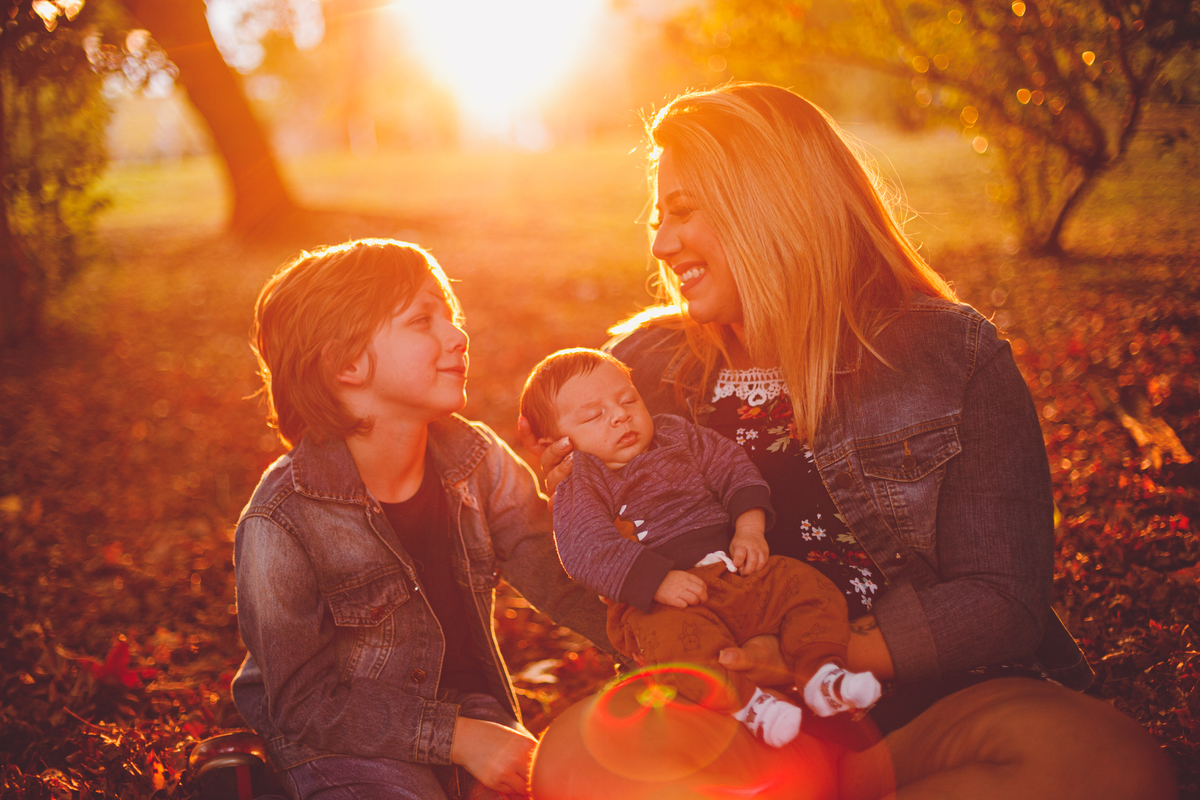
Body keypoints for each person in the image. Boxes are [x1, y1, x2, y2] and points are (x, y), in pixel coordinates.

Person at [523, 84, 1177, 799]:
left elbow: (1002, 599)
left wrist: (814, 650)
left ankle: (844, 781)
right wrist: (555, 498)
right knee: (571, 763)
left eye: (682, 212)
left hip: (914, 700)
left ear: (769, 201)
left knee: (1102, 763)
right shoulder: (638, 368)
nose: (659, 242)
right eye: (658, 218)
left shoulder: (946, 354)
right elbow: (600, 576)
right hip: (727, 712)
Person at [229, 239, 611, 800]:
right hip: (338, 741)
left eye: (451, 316)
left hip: (470, 712)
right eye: (422, 320)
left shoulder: (475, 460)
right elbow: (304, 704)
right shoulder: (280, 520)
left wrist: (665, 639)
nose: (457, 335)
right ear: (346, 364)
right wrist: (459, 739)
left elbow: (560, 572)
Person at [519, 347, 882, 747]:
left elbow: (733, 468)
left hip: (733, 570)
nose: (620, 415)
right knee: (675, 645)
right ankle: (748, 705)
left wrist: (749, 528)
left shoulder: (676, 434)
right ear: (561, 442)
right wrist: (655, 580)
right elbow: (584, 546)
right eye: (593, 415)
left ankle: (821, 674)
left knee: (803, 586)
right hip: (659, 604)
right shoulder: (582, 478)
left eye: (628, 400)